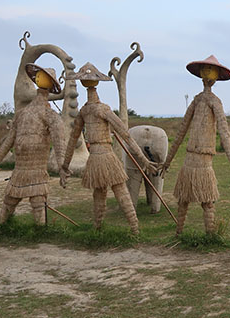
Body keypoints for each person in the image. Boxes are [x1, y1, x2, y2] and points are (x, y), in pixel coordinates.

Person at [60, 63, 158, 235]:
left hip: (101, 157)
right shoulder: (92, 110)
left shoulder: (90, 110)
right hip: (101, 157)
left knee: (108, 193)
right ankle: (118, 228)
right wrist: (64, 165)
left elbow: (123, 134)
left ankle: (119, 228)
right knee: (113, 192)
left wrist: (143, 160)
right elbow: (124, 134)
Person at [162, 55, 230, 235]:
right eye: (205, 69)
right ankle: (179, 232)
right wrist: (167, 162)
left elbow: (224, 134)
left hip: (204, 161)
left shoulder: (215, 102)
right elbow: (181, 132)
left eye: (211, 69)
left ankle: (210, 235)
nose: (207, 72)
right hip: (190, 159)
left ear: (216, 76)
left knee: (207, 201)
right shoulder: (197, 100)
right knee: (183, 199)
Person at [0, 63, 66, 225]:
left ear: (50, 85)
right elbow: (9, 140)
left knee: (38, 202)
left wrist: (63, 168)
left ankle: (40, 231)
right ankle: (1, 228)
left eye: (45, 78)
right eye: (40, 76)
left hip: (37, 170)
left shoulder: (51, 115)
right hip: (20, 169)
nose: (41, 78)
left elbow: (59, 143)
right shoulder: (22, 114)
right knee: (9, 201)